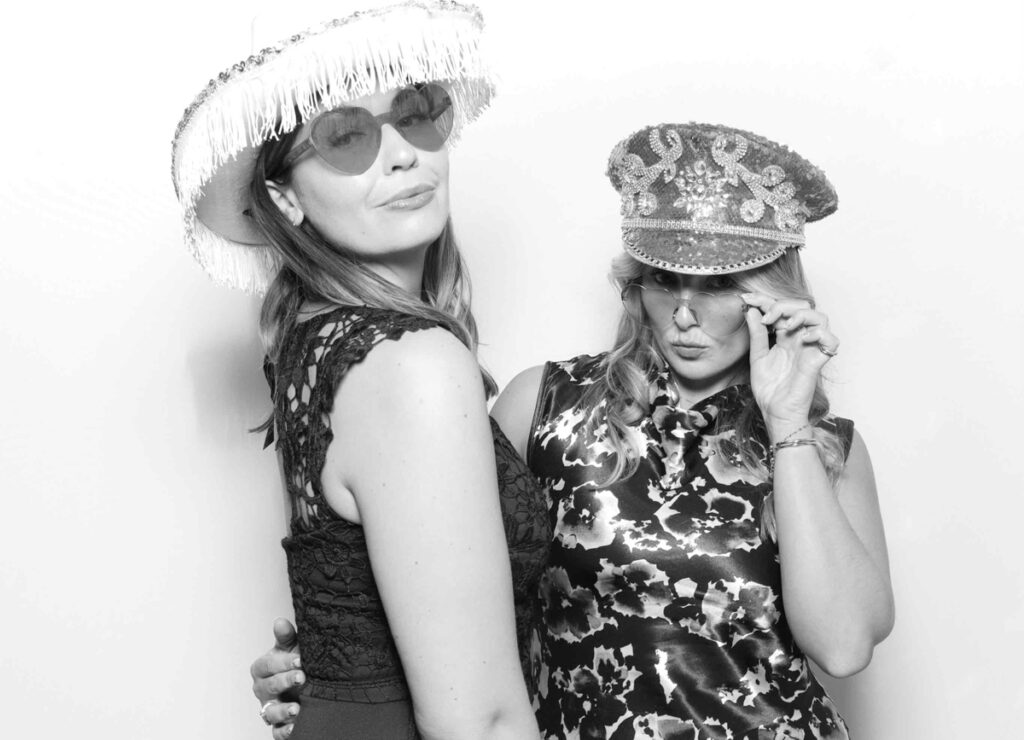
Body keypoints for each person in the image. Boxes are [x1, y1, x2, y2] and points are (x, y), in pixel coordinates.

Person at [253, 123, 894, 739]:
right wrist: (333, 674)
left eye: (721, 286)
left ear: (770, 294)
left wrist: (787, 426)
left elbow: (842, 647)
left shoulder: (823, 445)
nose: (687, 314)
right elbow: (429, 575)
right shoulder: (544, 405)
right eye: (665, 280)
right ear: (635, 283)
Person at [171, 1, 548, 740]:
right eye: (346, 137)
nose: (403, 153)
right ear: (283, 195)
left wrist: (335, 687)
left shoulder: (318, 346)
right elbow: (482, 721)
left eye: (415, 114)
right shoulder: (410, 364)